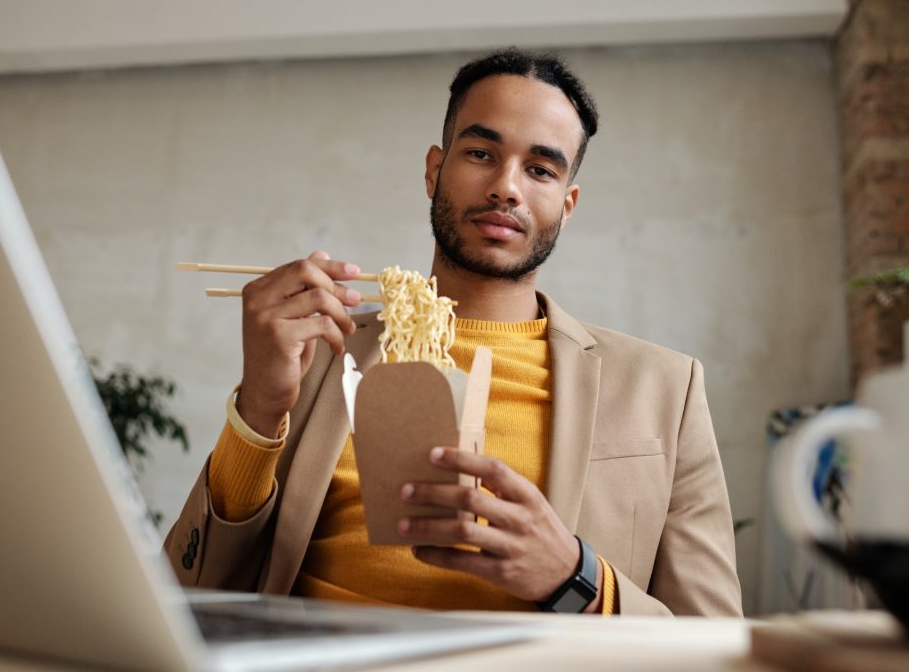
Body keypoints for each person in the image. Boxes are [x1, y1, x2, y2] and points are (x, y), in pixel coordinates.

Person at [166, 48, 742, 616]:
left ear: (567, 205)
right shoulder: (318, 352)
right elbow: (189, 593)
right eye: (481, 153)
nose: (506, 188)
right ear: (434, 171)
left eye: (540, 169)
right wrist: (259, 410)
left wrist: (575, 578)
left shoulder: (666, 389)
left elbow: (717, 643)